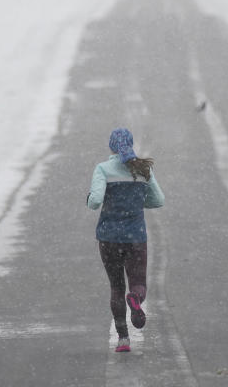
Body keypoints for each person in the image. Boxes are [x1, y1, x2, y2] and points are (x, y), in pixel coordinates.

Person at [87, 128, 165, 353]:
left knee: (116, 286)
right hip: (136, 237)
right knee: (138, 282)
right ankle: (136, 299)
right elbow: (158, 200)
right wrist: (139, 204)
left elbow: (95, 202)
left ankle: (123, 339)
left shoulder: (102, 169)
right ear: (131, 145)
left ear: (111, 147)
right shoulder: (142, 169)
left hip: (109, 238)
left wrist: (90, 199)